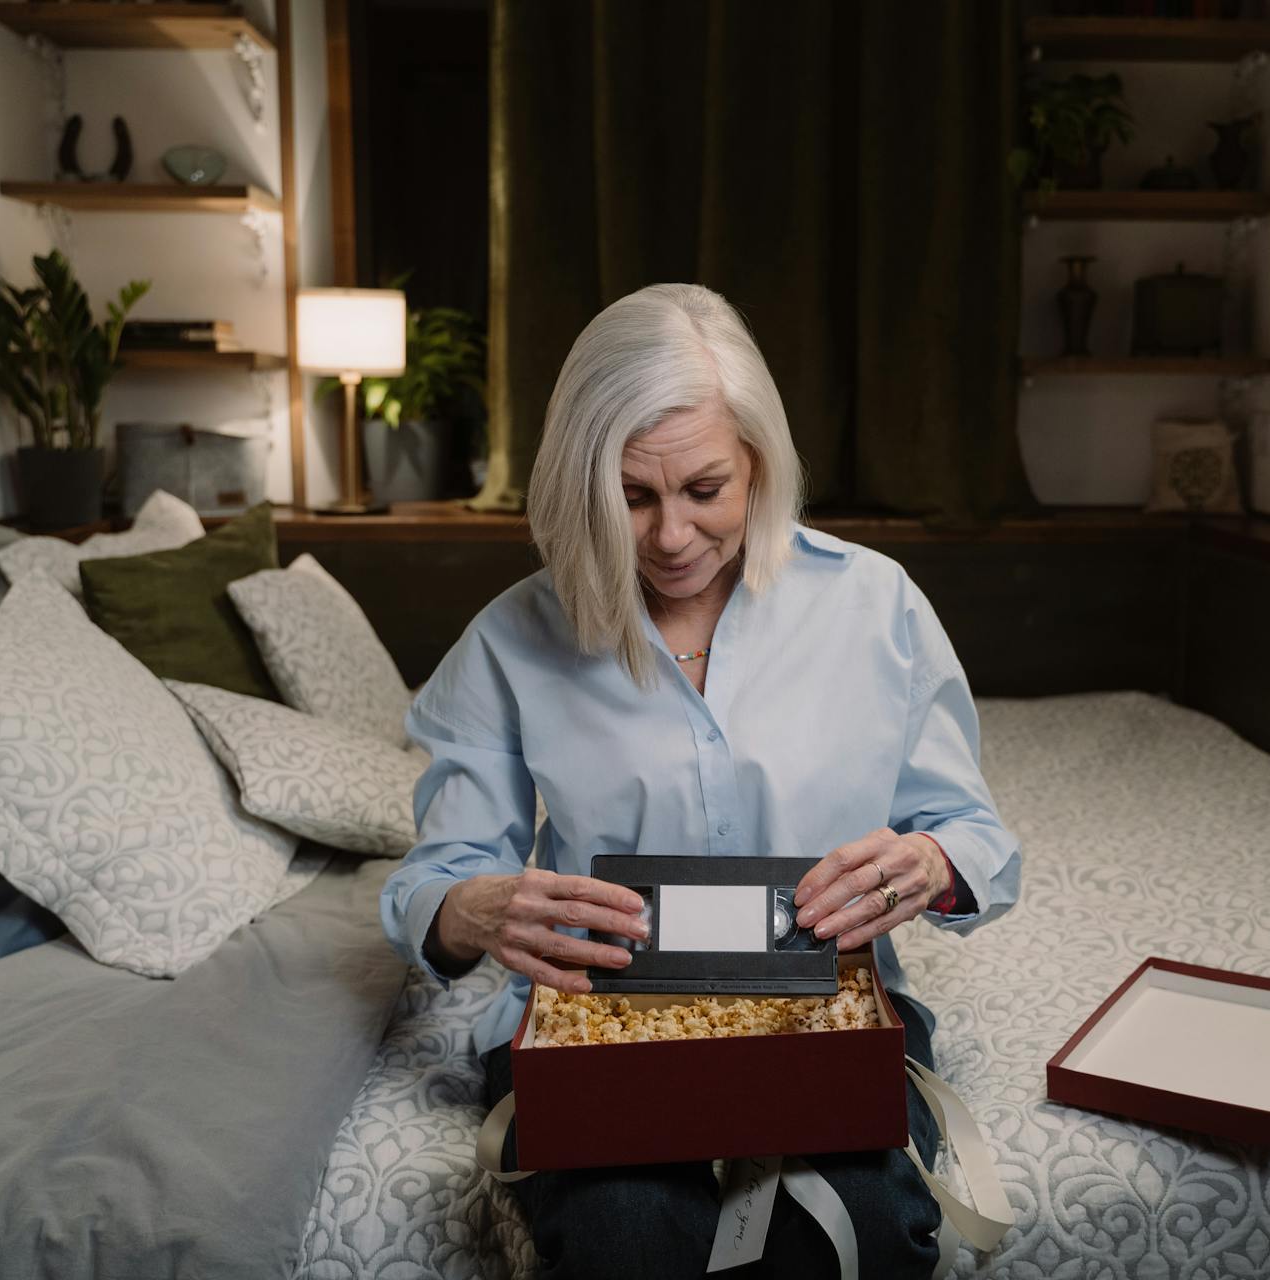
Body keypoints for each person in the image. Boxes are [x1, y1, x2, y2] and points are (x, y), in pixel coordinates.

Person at [380, 282, 1020, 1279]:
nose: (672, 535)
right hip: (599, 1018)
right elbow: (437, 875)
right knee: (623, 1235)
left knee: (867, 1229)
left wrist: (930, 862)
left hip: (831, 1013)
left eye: (705, 489)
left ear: (758, 462)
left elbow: (975, 835)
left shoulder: (874, 604)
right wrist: (474, 907)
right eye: (632, 495)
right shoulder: (515, 636)